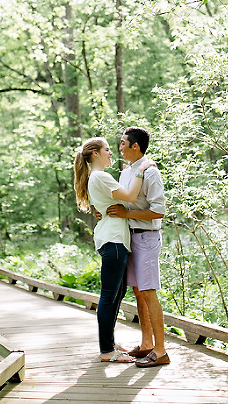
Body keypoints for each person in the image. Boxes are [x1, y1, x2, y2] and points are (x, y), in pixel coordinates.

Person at [73, 137, 156, 363]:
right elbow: (129, 196)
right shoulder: (100, 176)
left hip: (113, 239)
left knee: (116, 294)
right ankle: (107, 350)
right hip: (114, 241)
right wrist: (141, 170)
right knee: (109, 296)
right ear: (96, 154)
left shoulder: (96, 177)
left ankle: (109, 343)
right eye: (108, 150)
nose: (112, 153)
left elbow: (114, 204)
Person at [105, 127, 169, 368]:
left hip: (147, 238)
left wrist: (127, 213)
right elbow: (122, 202)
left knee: (149, 292)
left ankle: (161, 351)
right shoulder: (127, 172)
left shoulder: (150, 172)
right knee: (139, 293)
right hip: (130, 237)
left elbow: (158, 210)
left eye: (122, 143)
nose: (119, 148)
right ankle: (146, 344)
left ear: (135, 147)